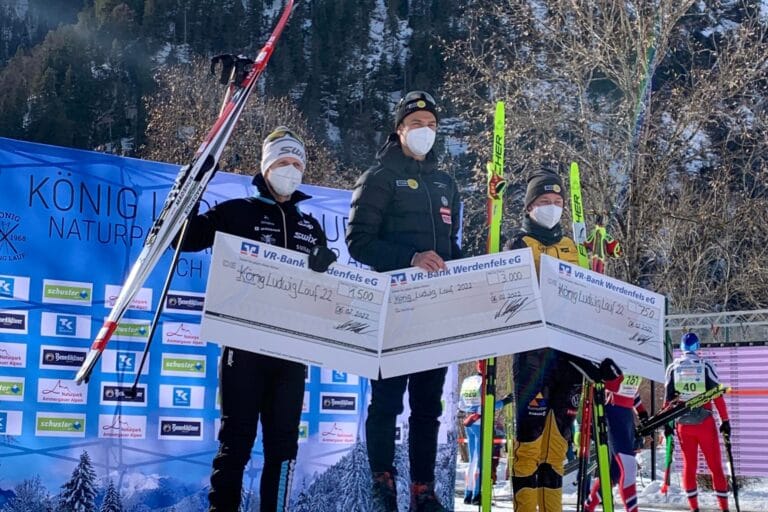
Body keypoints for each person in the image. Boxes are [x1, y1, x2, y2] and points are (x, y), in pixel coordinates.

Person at [174, 127, 337, 512]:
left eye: (297, 164)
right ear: (266, 167)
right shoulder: (237, 212)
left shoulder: (310, 226)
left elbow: (325, 293)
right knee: (236, 443)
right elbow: (184, 237)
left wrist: (326, 265)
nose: (291, 170)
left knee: (284, 450)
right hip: (244, 350)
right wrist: (189, 187)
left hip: (291, 354)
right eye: (283, 162)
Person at [346, 90, 462, 512]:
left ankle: (422, 491)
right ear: (399, 130)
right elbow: (358, 242)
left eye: (431, 125)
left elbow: (451, 248)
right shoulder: (378, 176)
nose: (424, 131)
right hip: (392, 309)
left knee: (428, 407)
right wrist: (410, 258)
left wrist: (477, 270)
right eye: (416, 124)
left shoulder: (445, 183)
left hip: (435, 312)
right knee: (387, 403)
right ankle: (383, 487)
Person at [503, 166, 622, 512]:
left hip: (568, 360)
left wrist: (595, 357)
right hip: (533, 356)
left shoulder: (572, 247)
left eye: (557, 202)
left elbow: (585, 304)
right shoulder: (518, 243)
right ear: (530, 207)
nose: (552, 207)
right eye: (544, 201)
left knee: (557, 448)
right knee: (530, 446)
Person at [664, 332, 731, 512]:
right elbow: (717, 395)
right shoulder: (705, 365)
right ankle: (724, 508)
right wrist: (725, 420)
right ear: (697, 347)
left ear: (682, 348)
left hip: (683, 424)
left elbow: (668, 401)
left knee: (689, 466)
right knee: (715, 466)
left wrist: (666, 425)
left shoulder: (673, 367)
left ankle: (694, 508)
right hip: (705, 422)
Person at [583, 374, 649, 512]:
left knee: (615, 473)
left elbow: (632, 390)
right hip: (613, 412)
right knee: (629, 467)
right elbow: (600, 383)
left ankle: (588, 508)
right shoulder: (620, 361)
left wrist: (642, 412)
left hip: (627, 416)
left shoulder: (638, 364)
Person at [458, 361, 513, 505]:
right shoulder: (484, 383)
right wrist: (505, 401)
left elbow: (461, 404)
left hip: (469, 422)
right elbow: (488, 405)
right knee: (480, 460)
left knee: (473, 460)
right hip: (480, 422)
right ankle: (477, 495)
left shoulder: (467, 381)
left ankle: (468, 493)